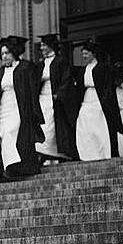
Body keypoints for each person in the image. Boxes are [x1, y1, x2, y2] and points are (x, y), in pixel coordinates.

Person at [0, 36, 44, 181]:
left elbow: (32, 90)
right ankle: (10, 166)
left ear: (14, 53)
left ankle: (15, 166)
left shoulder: (25, 68)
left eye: (7, 53)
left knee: (12, 132)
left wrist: (33, 111)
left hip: (19, 107)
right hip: (3, 108)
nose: (4, 56)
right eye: (3, 53)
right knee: (2, 134)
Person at [73, 40, 123, 162]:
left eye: (86, 54)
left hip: (99, 100)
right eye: (83, 54)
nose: (84, 56)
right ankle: (88, 154)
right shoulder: (82, 70)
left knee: (100, 127)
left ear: (93, 54)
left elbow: (107, 87)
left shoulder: (102, 68)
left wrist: (105, 101)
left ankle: (103, 153)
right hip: (86, 100)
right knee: (85, 127)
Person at [33, 34, 77, 164]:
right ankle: (42, 153)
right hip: (42, 98)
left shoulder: (60, 61)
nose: (41, 47)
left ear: (51, 46)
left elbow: (66, 79)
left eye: (44, 45)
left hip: (54, 98)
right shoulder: (40, 64)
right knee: (43, 125)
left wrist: (59, 94)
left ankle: (56, 153)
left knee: (54, 126)